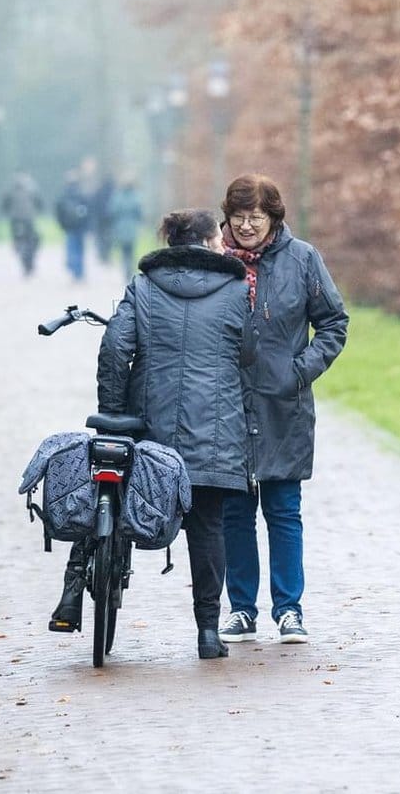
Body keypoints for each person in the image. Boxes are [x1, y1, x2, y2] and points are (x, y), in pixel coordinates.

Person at [89, 208, 254, 659]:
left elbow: (114, 349)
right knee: (208, 529)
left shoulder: (142, 287)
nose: (224, 245)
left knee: (126, 505)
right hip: (215, 432)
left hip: (151, 428)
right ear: (203, 243)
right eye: (218, 239)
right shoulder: (238, 291)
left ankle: (95, 580)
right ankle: (207, 633)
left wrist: (114, 414)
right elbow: (250, 354)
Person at [214, 174, 350, 645]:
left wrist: (300, 370)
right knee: (234, 512)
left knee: (283, 509)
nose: (247, 226)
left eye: (256, 217)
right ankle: (241, 609)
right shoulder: (213, 262)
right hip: (225, 404)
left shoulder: (303, 259)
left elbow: (334, 322)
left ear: (274, 218)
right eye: (239, 217)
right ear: (226, 217)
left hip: (282, 404)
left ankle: (289, 609)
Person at [0, 171, 43, 276]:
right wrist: (36, 212)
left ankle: (18, 248)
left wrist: (8, 212)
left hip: (15, 219)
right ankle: (28, 261)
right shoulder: (31, 190)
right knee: (31, 240)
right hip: (28, 219)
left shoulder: (11, 190)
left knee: (18, 239)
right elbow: (39, 203)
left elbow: (5, 204)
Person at [55, 169, 93, 281]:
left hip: (69, 227)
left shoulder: (64, 195)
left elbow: (59, 211)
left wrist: (62, 225)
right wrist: (88, 226)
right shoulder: (81, 194)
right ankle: (79, 272)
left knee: (71, 248)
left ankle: (73, 268)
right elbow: (88, 211)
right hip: (80, 227)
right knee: (80, 249)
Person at [105, 176, 144, 277]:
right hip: (131, 226)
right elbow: (139, 212)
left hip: (120, 226)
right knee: (131, 249)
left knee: (124, 249)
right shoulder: (136, 196)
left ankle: (126, 269)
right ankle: (129, 269)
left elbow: (111, 211)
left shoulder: (117, 196)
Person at [92, 172, 118, 266]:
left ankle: (102, 254)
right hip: (110, 219)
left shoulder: (99, 191)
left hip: (100, 219)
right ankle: (107, 255)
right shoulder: (113, 192)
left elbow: (94, 204)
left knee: (100, 236)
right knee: (108, 237)